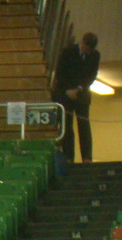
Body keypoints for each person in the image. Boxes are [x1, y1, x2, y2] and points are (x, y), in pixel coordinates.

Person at [53, 32, 100, 163]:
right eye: (87, 47)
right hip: (66, 93)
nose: (88, 51)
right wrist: (68, 90)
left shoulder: (95, 56)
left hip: (82, 94)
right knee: (67, 126)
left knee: (84, 125)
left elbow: (91, 76)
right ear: (83, 42)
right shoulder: (68, 52)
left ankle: (87, 157)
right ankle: (69, 157)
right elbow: (60, 73)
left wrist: (78, 89)